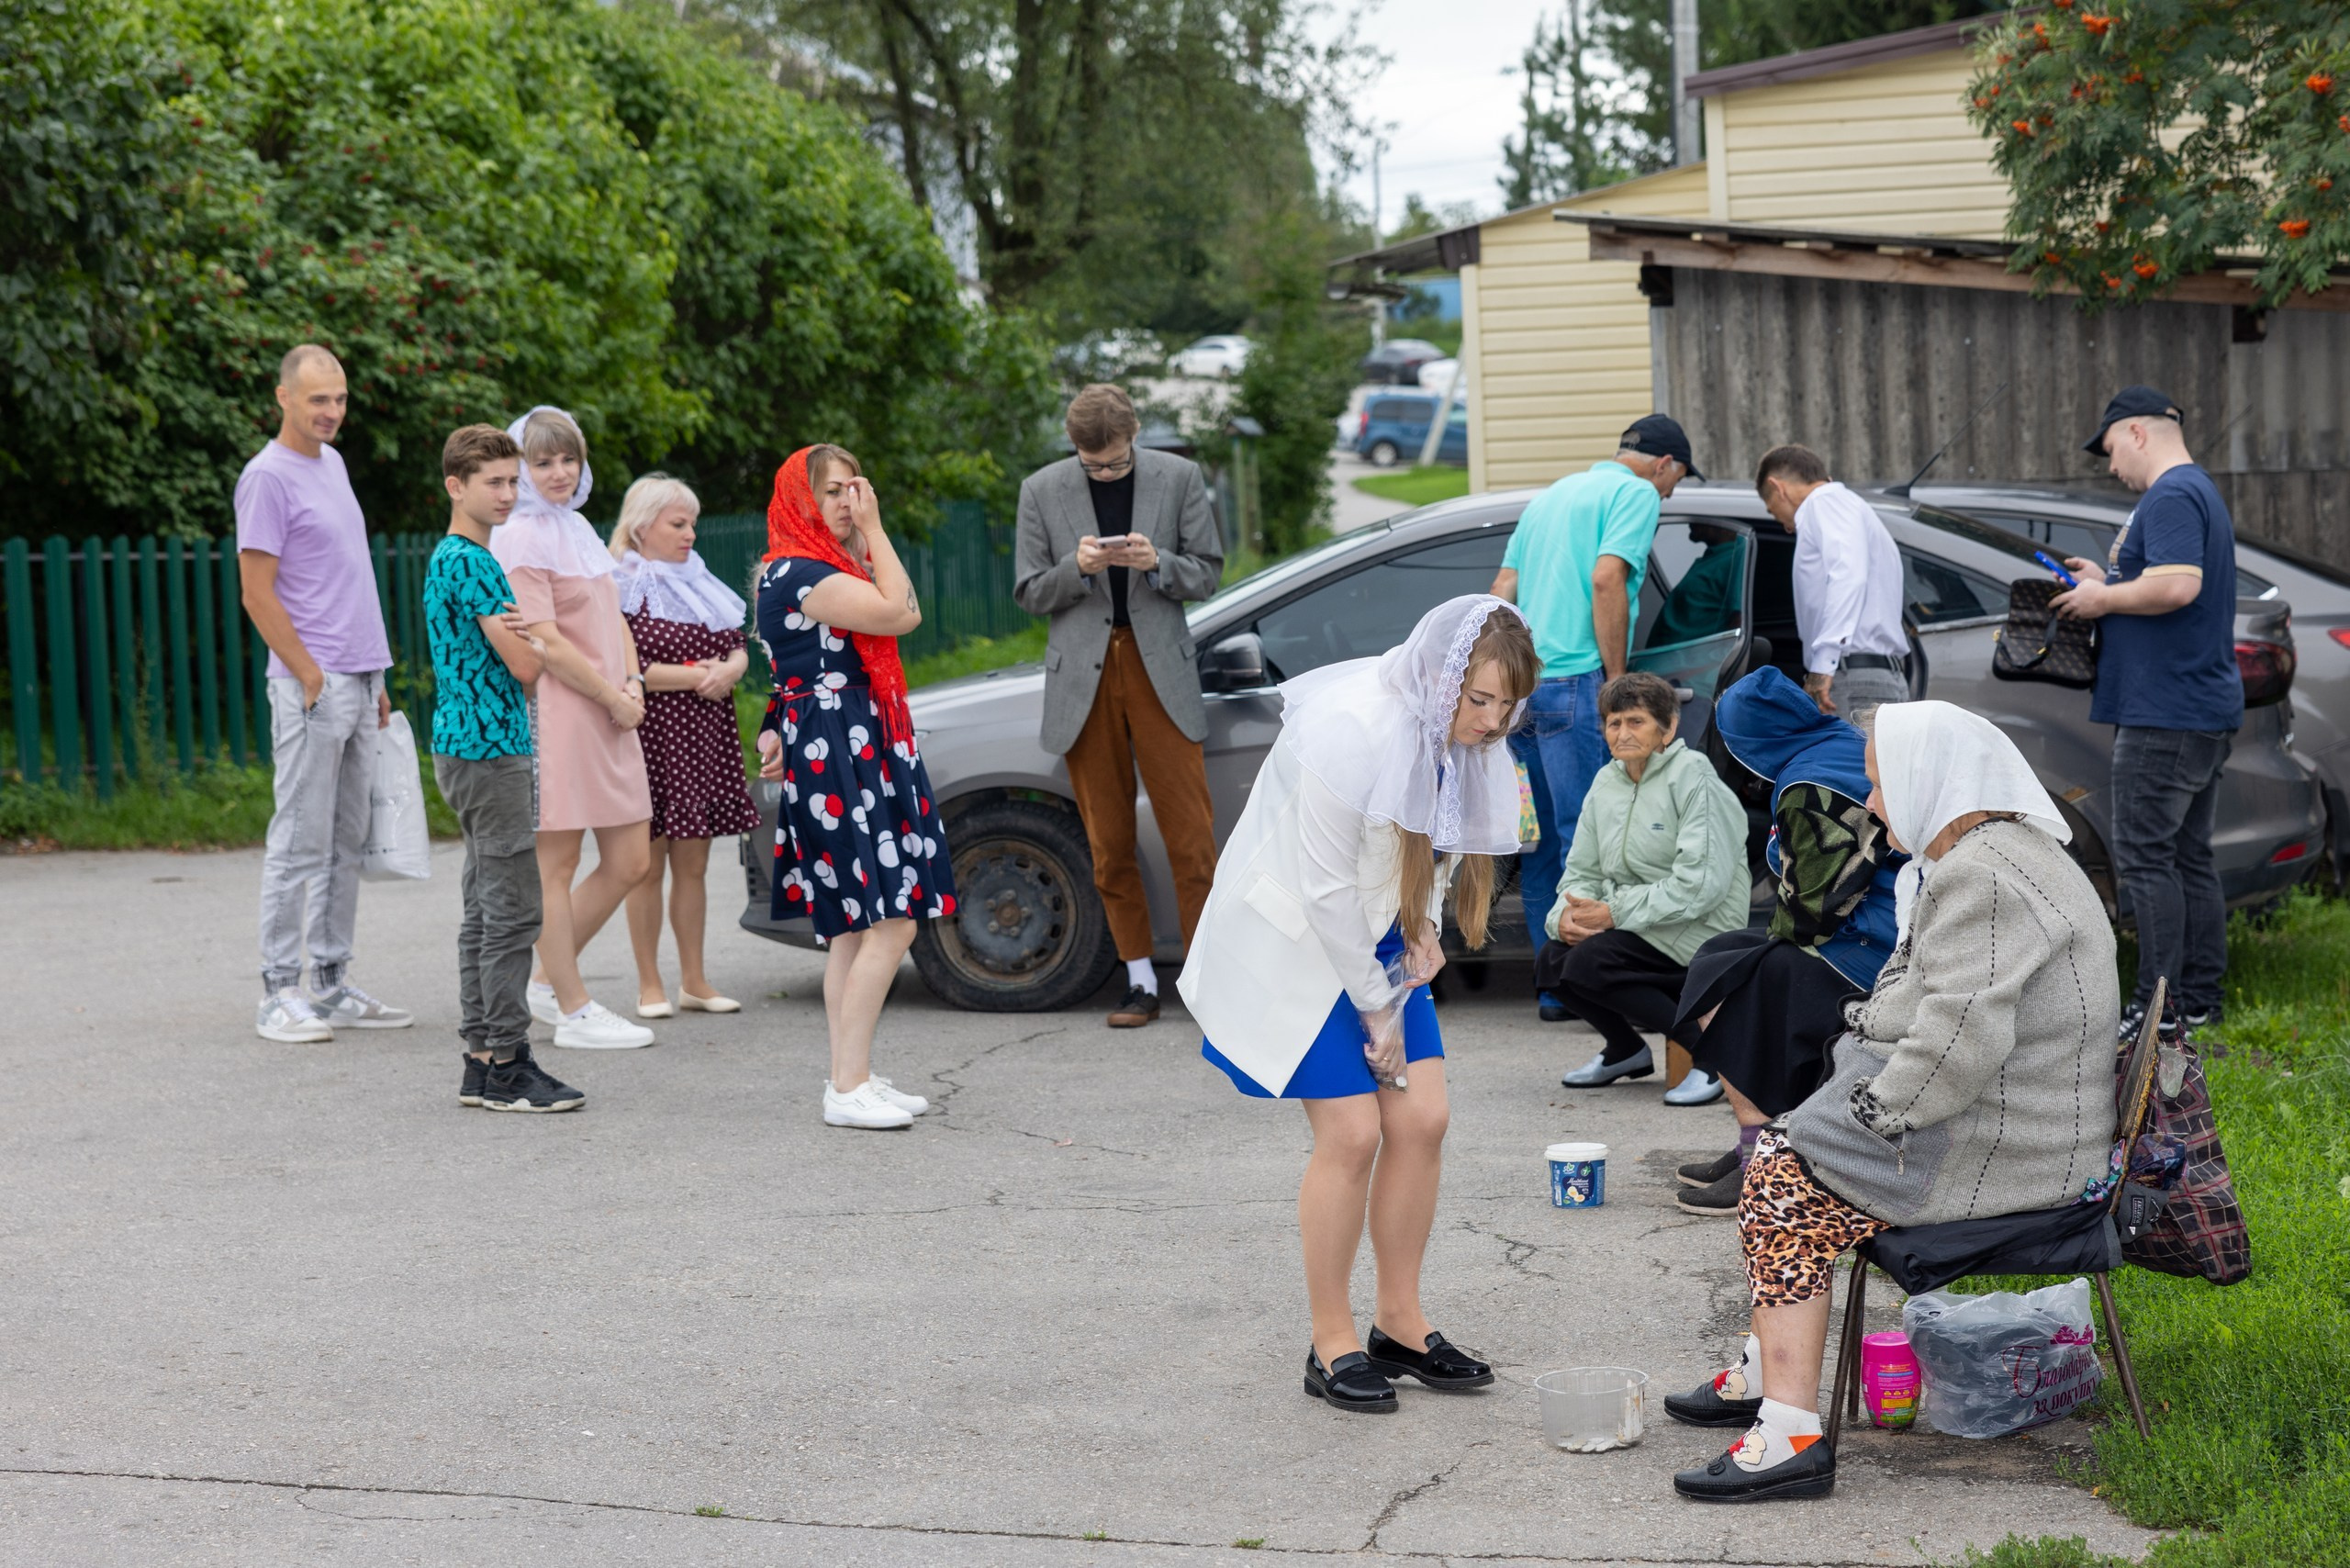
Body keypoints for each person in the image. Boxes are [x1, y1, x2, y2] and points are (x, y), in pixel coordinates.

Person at [1667, 700, 2118, 1503]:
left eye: (1880, 784)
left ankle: (1788, 1432)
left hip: (2016, 1151)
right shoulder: (1995, 856)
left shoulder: (1984, 877)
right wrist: (1861, 1045)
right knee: (1788, 1151)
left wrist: (1870, 1115)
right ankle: (1771, 1375)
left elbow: (1960, 1039)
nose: (1873, 804)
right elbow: (1922, 999)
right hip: (2019, 1124)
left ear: (1931, 779)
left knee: (1779, 1180)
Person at [1181, 596, 1540, 1414]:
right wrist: (1378, 1004)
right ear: (1441, 677)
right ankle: (1331, 1340)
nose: (1491, 722)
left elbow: (1432, 842)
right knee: (1351, 1133)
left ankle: (1399, 1324)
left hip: (1378, 932)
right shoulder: (1348, 729)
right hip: (1302, 943)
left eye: (1507, 706)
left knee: (1423, 1120)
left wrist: (1424, 927)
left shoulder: (1463, 736)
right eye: (1479, 700)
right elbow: (1324, 888)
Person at [755, 445, 958, 1130]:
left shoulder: (812, 567)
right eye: (832, 492)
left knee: (853, 927)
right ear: (800, 500)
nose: (848, 502)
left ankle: (853, 1076)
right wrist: (875, 530)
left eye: (854, 489)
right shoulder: (801, 571)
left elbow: (797, 669)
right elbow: (901, 612)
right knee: (892, 920)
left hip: (854, 741)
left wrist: (774, 727)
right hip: (843, 750)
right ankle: (847, 1087)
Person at [1013, 384, 1225, 1028]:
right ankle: (1138, 981)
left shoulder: (1179, 477)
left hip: (1160, 670)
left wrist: (1159, 562)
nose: (1104, 473)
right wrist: (1074, 570)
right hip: (1084, 679)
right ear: (1073, 448)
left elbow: (1208, 572)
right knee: (1109, 843)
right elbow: (1028, 591)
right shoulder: (1040, 489)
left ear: (1135, 434)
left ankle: (1208, 983)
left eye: (1115, 463)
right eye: (1092, 466)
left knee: (1192, 842)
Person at [1669, 667, 1905, 1217]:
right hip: (1878, 928)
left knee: (1729, 979)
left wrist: (1772, 945)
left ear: (1749, 739)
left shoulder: (1808, 784)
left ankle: (1762, 1152)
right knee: (1720, 955)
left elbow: (1810, 914)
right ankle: (1765, 1138)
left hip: (1877, 950)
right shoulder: (1837, 744)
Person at [1491, 414, 1699, 1023]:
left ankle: (1556, 988)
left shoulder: (1550, 497)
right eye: (1677, 480)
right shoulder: (1634, 494)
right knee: (1592, 838)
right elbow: (1607, 579)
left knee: (1541, 844)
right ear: (1664, 464)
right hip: (1577, 682)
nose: (1670, 494)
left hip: (1524, 690)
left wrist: (1503, 678)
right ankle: (1598, 985)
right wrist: (1616, 682)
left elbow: (1501, 591)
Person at [236, 342, 412, 1043]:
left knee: (345, 841)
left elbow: (346, 576)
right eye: (318, 399)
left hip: (360, 677)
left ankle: (332, 983)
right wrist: (310, 674)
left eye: (339, 399)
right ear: (283, 397)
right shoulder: (266, 477)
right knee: (299, 839)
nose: (331, 412)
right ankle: (279, 991)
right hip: (312, 684)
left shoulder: (332, 464)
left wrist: (377, 674)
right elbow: (257, 593)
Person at [2054, 386, 2241, 1042]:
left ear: (2137, 432)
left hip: (2166, 712)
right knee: (2187, 857)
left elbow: (2178, 585)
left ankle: (2157, 1011)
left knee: (2145, 859)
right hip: (2196, 705)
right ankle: (2198, 1000)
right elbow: (2165, 579)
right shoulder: (2195, 490)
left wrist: (2101, 601)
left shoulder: (2170, 494)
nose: (2110, 466)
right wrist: (2104, 581)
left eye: (2110, 449)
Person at [421, 425, 584, 1113]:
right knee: (513, 911)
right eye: (494, 482)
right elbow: (523, 665)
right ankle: (510, 1065)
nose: (508, 494)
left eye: (513, 481)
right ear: (455, 486)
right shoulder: (478, 564)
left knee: (483, 909)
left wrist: (526, 641)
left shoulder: (446, 558)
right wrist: (536, 646)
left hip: (461, 747)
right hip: (491, 752)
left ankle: (482, 1060)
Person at [492, 406, 658, 1051]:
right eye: (543, 462)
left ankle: (544, 982)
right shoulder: (519, 536)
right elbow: (545, 642)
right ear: (521, 468)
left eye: (569, 459)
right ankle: (573, 1007)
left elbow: (615, 618)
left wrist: (633, 683)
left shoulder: (577, 526)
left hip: (614, 705)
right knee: (556, 863)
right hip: (563, 710)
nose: (559, 473)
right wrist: (612, 697)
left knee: (631, 860)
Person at [1540, 672, 1747, 1108]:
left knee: (1592, 963)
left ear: (1668, 729)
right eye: (1613, 723)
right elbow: (1581, 871)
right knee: (1552, 960)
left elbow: (1700, 887)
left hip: (1702, 931)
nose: (1623, 733)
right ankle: (1625, 1049)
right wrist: (1565, 916)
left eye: (1636, 722)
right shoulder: (1606, 782)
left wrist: (1614, 912)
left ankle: (1713, 1056)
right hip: (1642, 925)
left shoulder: (1694, 778)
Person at [609, 474, 758, 1019]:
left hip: (702, 738)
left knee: (693, 866)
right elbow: (622, 668)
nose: (690, 533)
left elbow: (735, 642)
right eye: (678, 523)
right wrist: (700, 677)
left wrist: (734, 667)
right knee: (646, 867)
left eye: (692, 523)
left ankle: (694, 980)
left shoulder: (697, 577)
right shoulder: (618, 584)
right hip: (650, 738)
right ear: (642, 526)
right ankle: (649, 984)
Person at [1754, 445, 1909, 723]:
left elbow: (1848, 575)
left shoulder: (1825, 502)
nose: (1787, 527)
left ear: (1778, 487)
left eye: (1774, 512)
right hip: (1871, 675)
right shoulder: (1846, 505)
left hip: (1853, 677)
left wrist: (1823, 665)